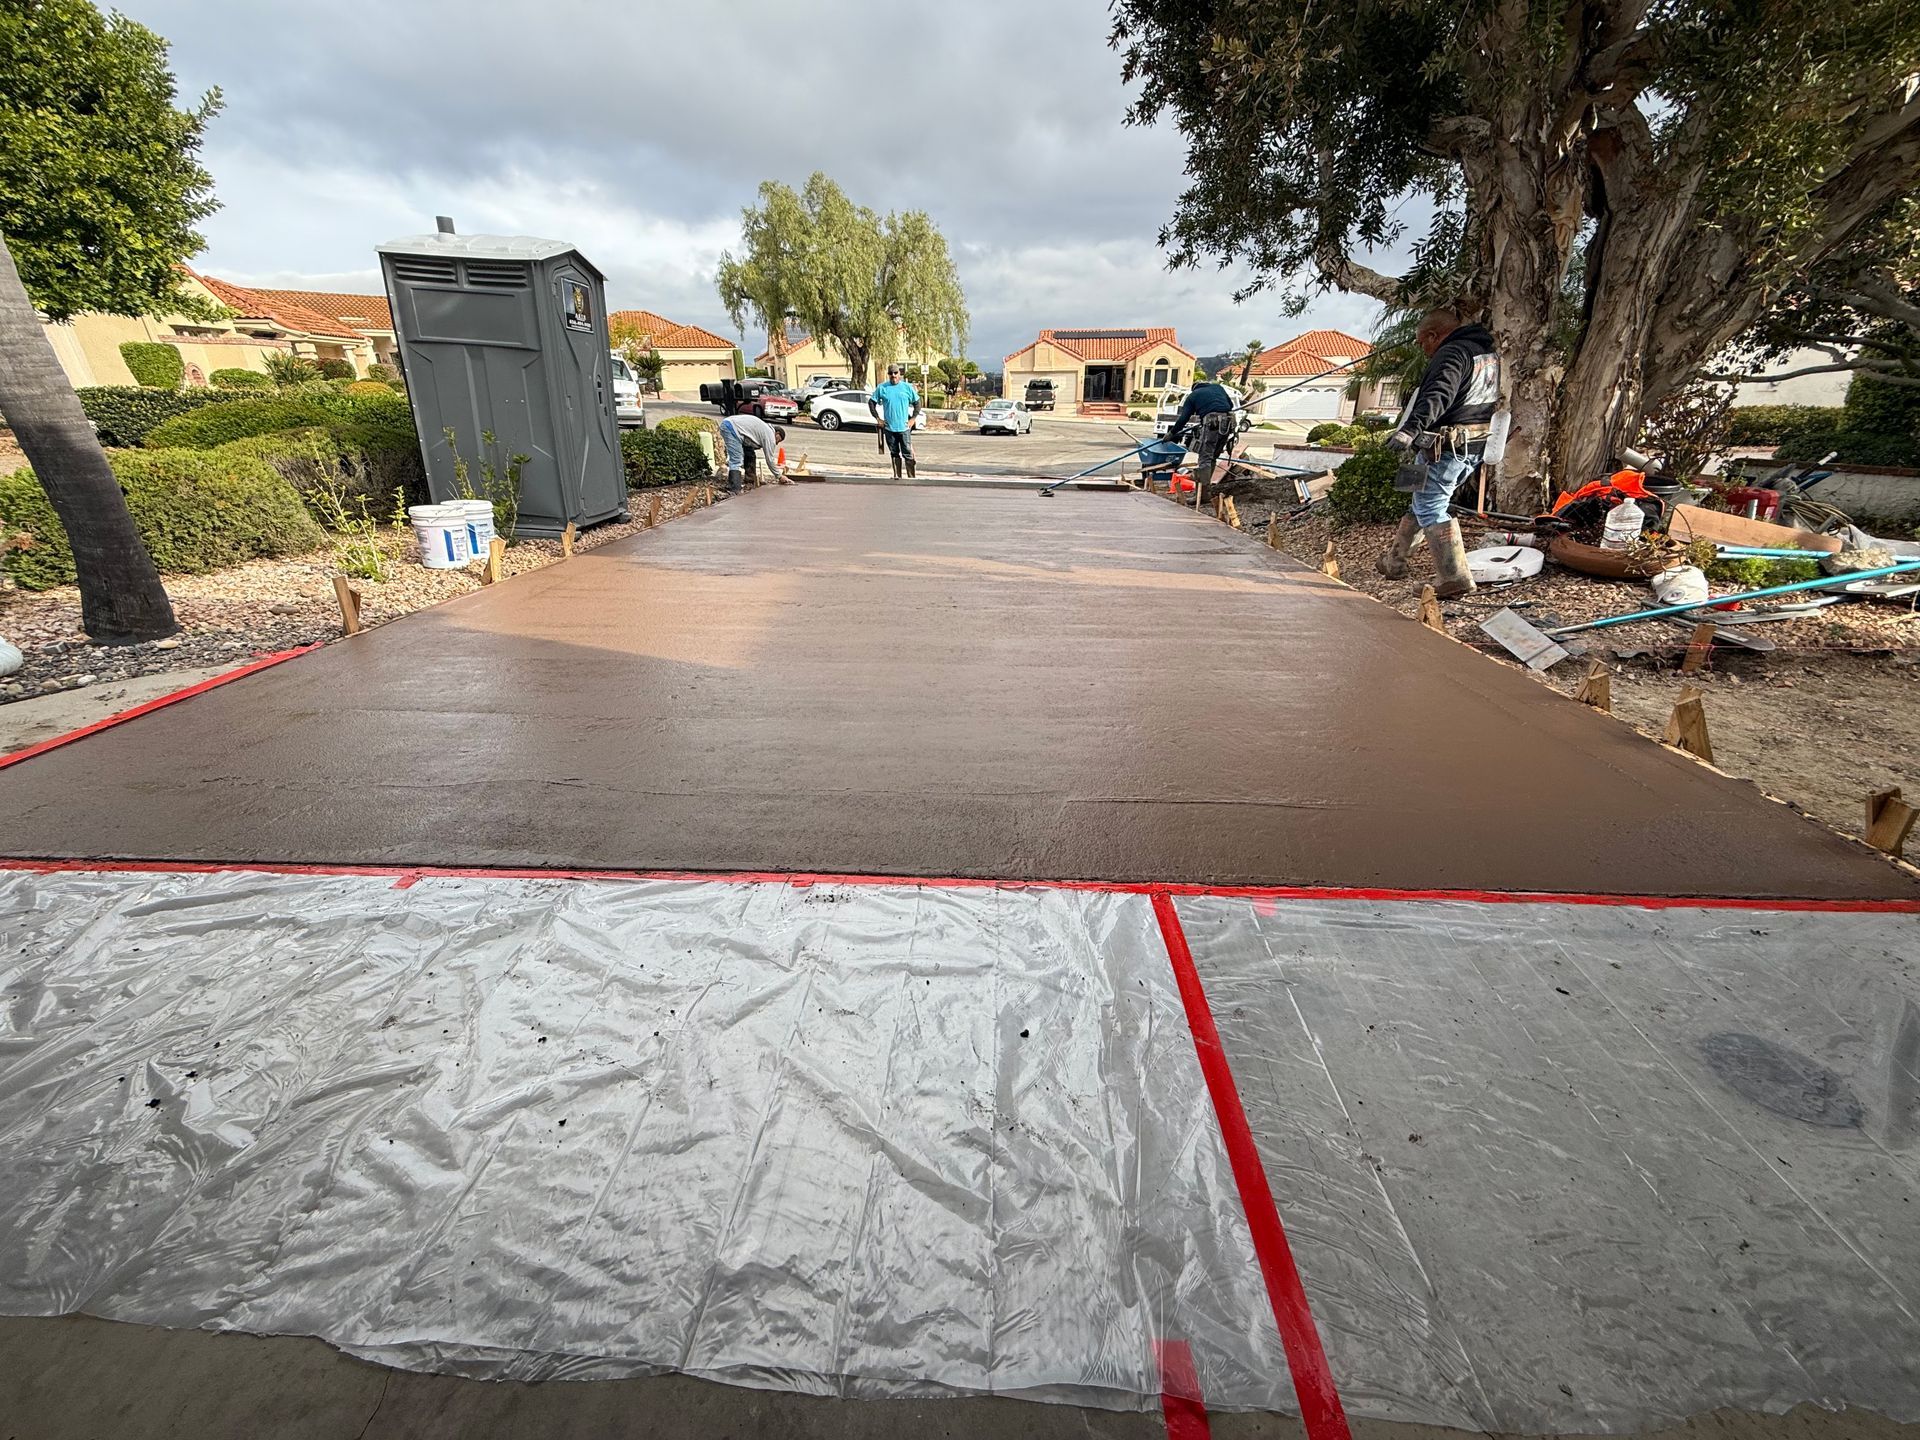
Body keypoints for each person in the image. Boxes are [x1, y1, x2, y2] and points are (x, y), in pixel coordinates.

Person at [1377, 309, 1502, 597]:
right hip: (1472, 444)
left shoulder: (1452, 353)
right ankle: (1395, 561)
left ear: (1433, 335)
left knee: (1431, 504)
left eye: (1423, 343)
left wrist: (1409, 430)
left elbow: (1438, 395)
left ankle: (1454, 577)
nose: (1424, 351)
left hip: (1446, 446)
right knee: (1421, 499)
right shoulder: (1485, 355)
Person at [1167, 377, 1241, 490]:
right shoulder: (1218, 387)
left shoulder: (1193, 396)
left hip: (1212, 423)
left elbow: (1183, 418)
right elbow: (1230, 405)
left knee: (1205, 458)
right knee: (1213, 457)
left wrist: (1172, 433)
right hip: (1228, 423)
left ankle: (1202, 494)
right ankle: (1206, 490)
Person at [868, 364, 921, 479]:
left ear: (899, 374)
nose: (893, 375)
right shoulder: (882, 388)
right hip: (889, 428)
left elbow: (917, 403)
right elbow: (871, 403)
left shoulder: (907, 388)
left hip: (904, 428)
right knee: (894, 452)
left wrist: (913, 419)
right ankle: (897, 476)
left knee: (907, 453)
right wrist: (878, 419)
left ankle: (911, 478)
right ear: (888, 374)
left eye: (895, 373)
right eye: (891, 373)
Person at [717, 412, 789, 493]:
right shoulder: (770, 435)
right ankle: (735, 488)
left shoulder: (765, 429)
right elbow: (770, 459)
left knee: (750, 453)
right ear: (777, 433)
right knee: (736, 460)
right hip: (731, 428)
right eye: (778, 440)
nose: (776, 443)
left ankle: (750, 481)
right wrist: (779, 476)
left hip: (733, 427)